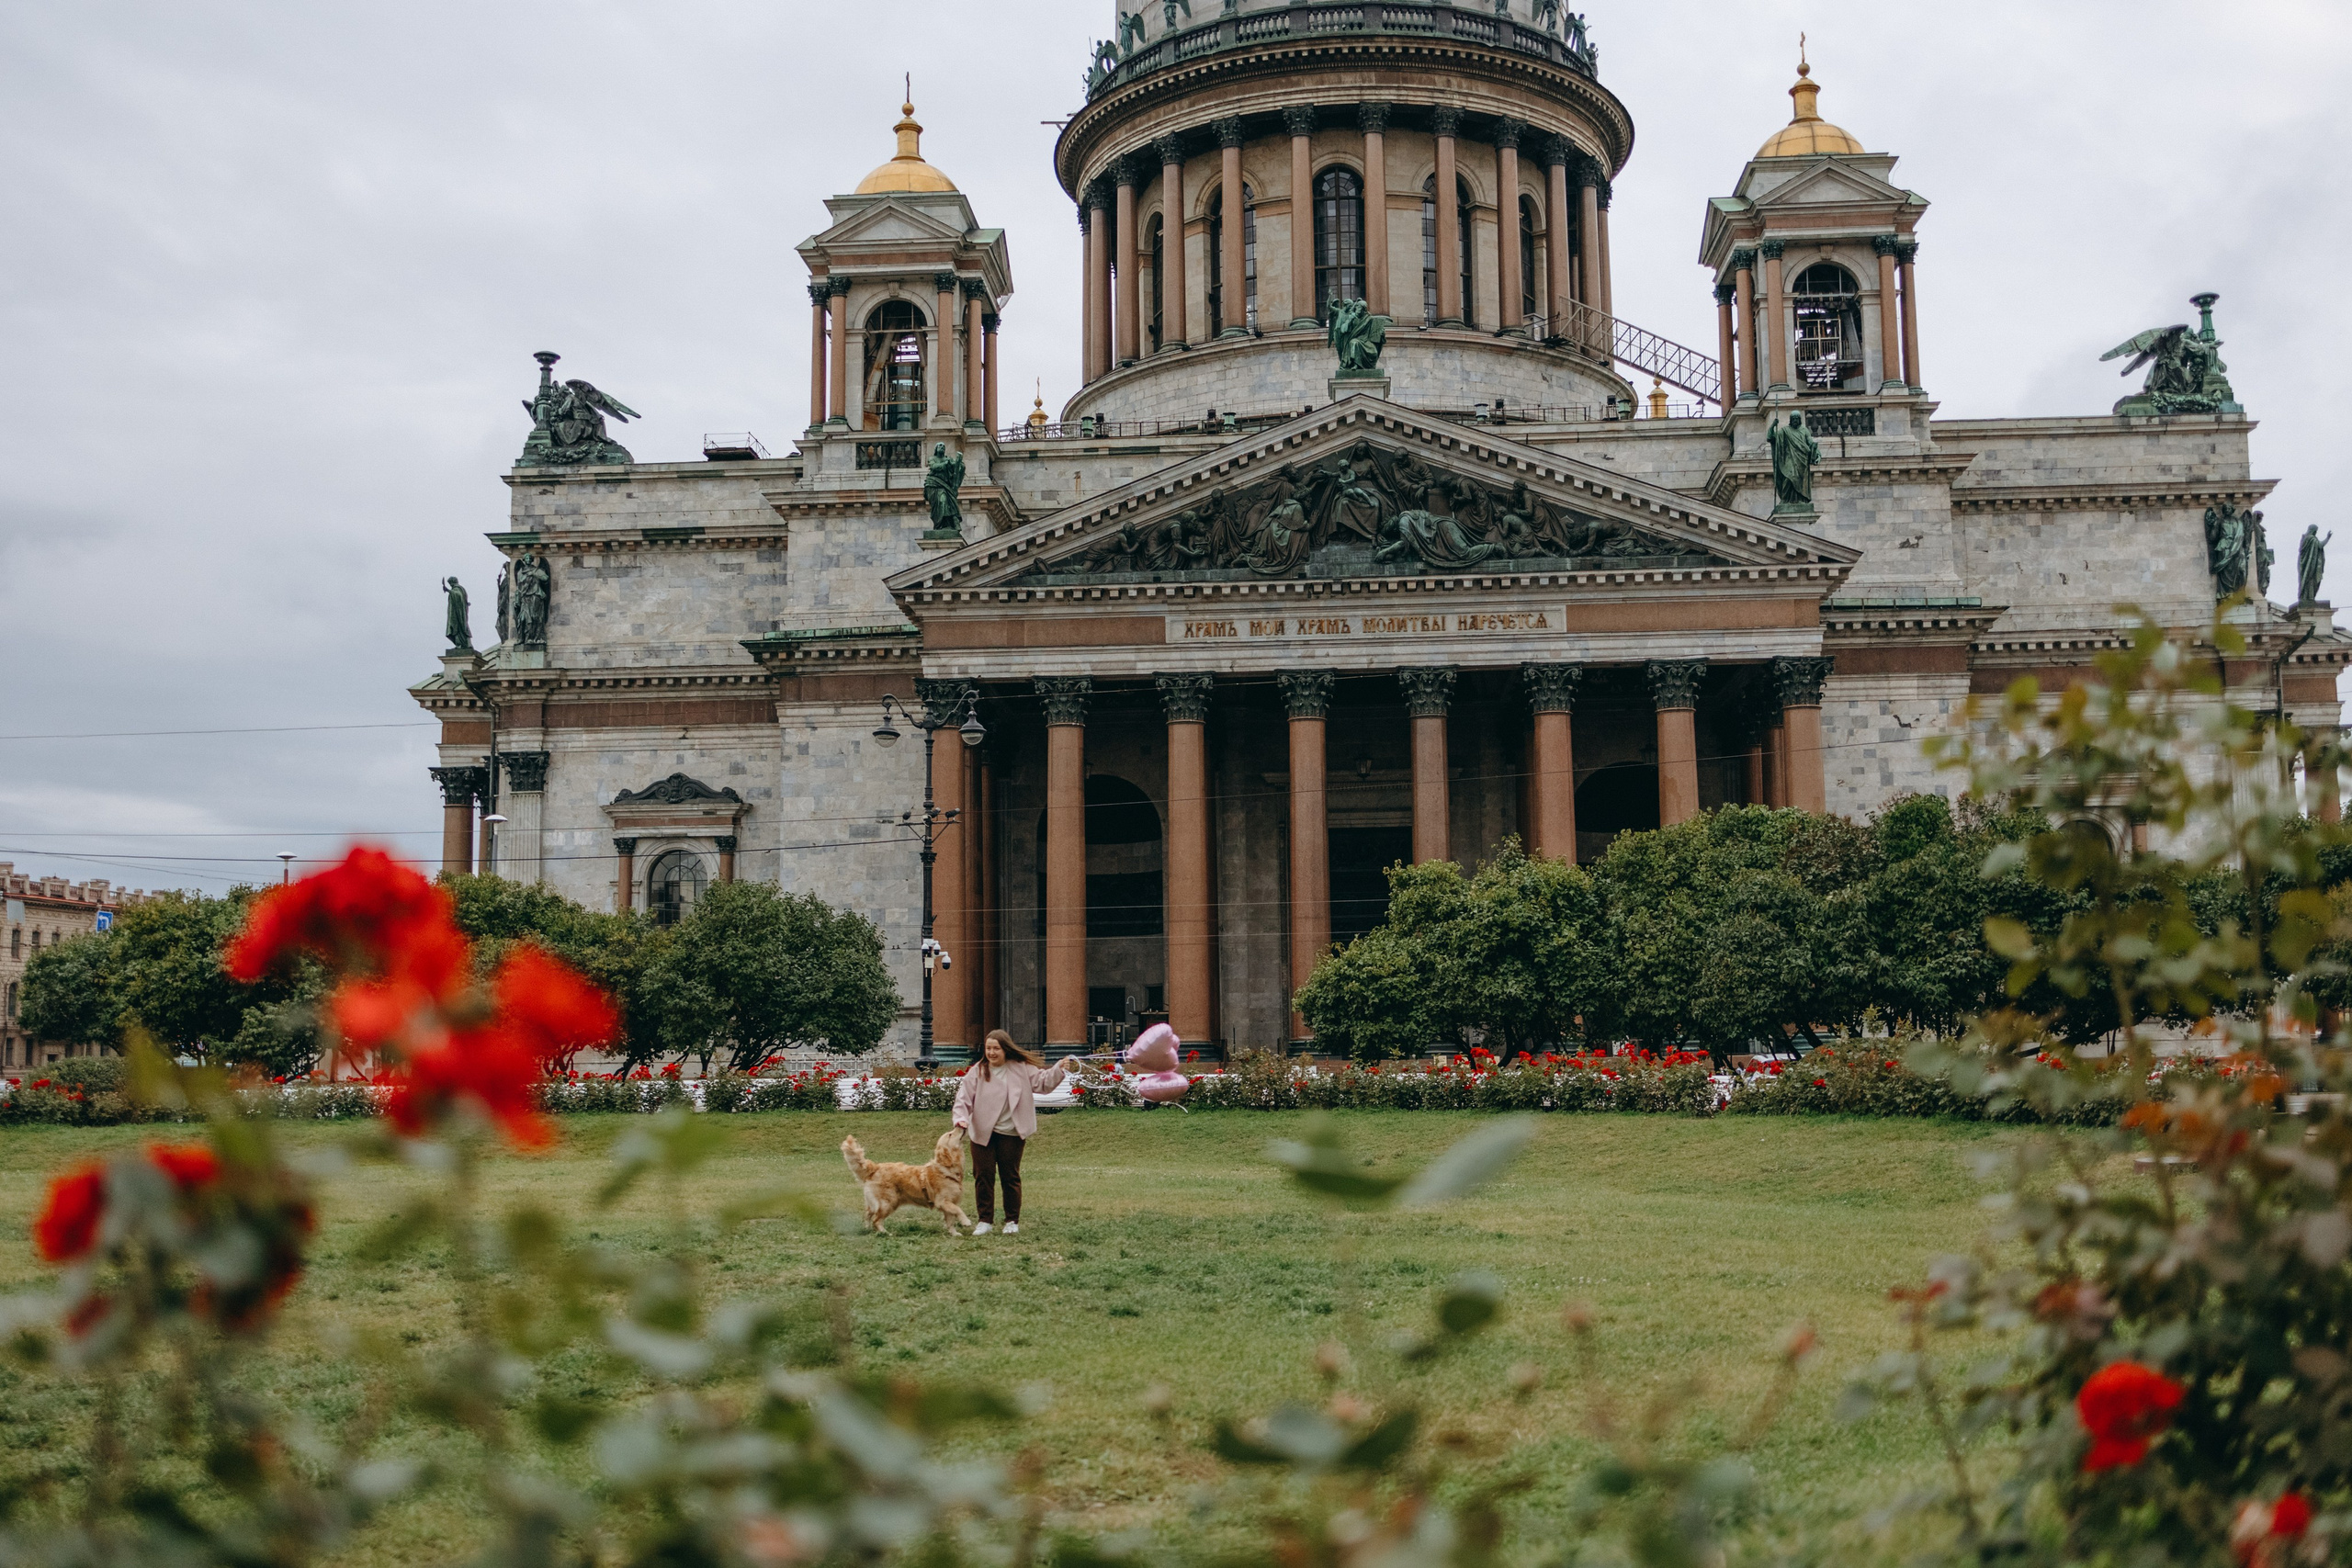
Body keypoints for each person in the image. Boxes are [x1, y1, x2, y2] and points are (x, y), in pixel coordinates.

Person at [951, 1030, 1071, 1235]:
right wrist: (960, 1119)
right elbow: (963, 1099)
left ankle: (1012, 1221)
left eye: (996, 1048)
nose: (991, 1052)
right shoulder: (978, 1071)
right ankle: (985, 1220)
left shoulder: (1021, 1068)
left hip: (1012, 1133)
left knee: (1010, 1177)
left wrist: (1059, 1068)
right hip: (982, 1133)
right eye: (988, 1048)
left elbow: (1043, 1083)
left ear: (1005, 1049)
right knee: (983, 1176)